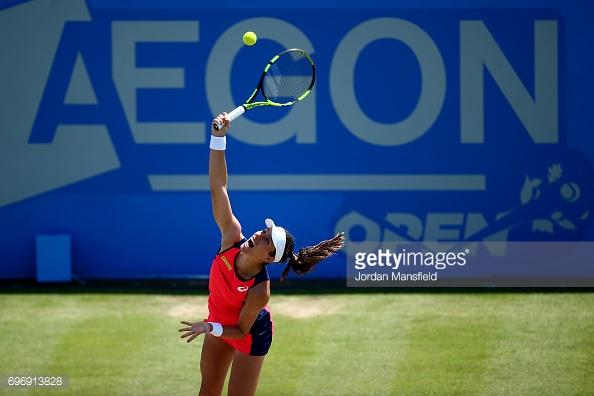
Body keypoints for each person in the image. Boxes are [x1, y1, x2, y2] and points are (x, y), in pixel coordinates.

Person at [178, 112, 345, 396]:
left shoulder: (260, 291)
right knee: (208, 390)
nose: (258, 234)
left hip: (249, 335)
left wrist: (209, 327)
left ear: (269, 258)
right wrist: (218, 139)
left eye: (266, 239)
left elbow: (241, 331)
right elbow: (218, 187)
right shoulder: (231, 236)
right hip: (217, 321)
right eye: (262, 232)